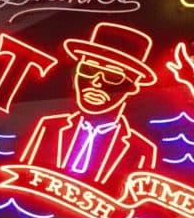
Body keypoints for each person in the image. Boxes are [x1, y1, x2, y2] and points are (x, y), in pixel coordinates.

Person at [18, 22, 158, 196]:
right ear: (75, 76)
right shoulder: (49, 127)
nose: (95, 82)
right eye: (88, 69)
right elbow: (21, 180)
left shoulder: (140, 149)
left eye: (113, 76)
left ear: (133, 87)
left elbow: (134, 203)